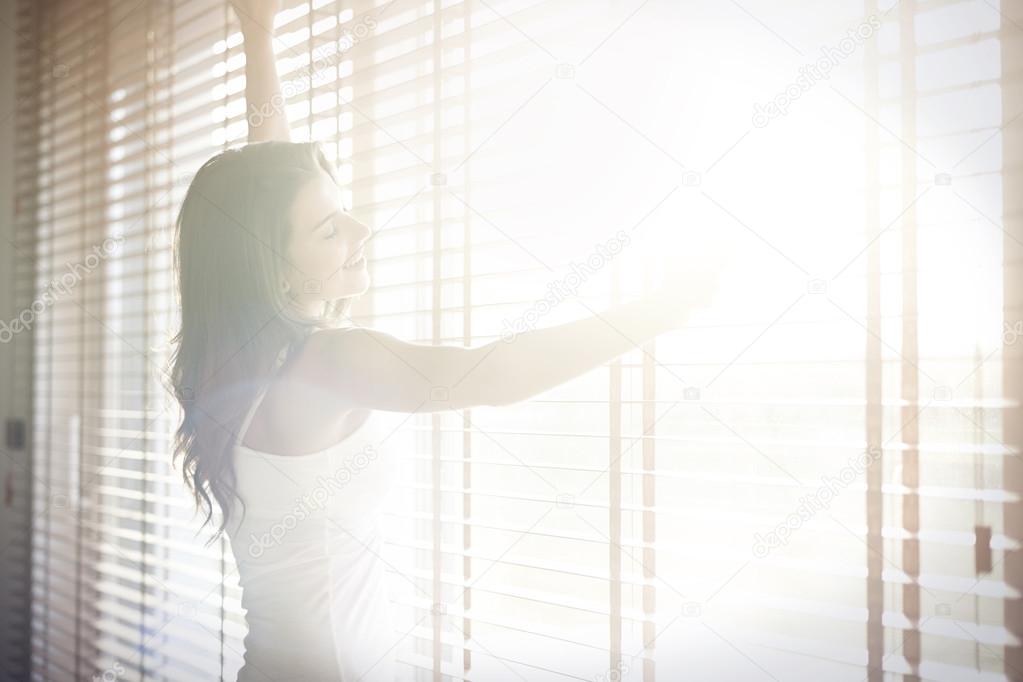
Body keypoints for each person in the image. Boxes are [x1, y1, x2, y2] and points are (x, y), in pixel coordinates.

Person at [167, 1, 717, 678]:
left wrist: (258, 36)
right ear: (271, 265)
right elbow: (493, 374)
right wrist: (660, 309)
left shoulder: (245, 365)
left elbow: (265, 187)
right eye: (332, 230)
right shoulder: (328, 363)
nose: (362, 233)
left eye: (346, 215)